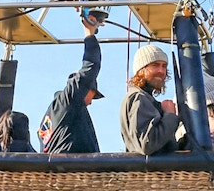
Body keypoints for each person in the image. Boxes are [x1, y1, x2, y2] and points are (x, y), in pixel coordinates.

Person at [38, 15, 104, 153]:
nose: (91, 102)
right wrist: (89, 34)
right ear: (87, 88)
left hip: (55, 171)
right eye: (93, 95)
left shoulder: (51, 117)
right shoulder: (70, 100)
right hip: (71, 172)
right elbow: (91, 66)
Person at [120, 44, 180, 155]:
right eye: (155, 65)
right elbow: (147, 144)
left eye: (164, 66)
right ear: (141, 70)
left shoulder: (145, 99)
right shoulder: (139, 98)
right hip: (151, 171)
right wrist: (170, 115)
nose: (161, 71)